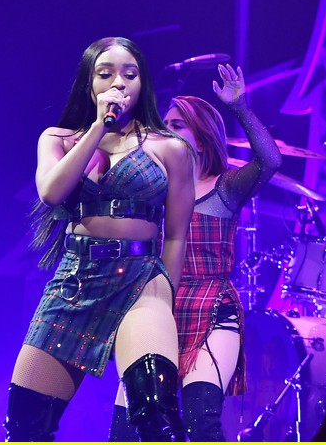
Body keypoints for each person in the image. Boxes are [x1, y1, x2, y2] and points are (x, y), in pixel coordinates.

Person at [7, 37, 195, 440]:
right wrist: (97, 128)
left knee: (156, 416)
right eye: (105, 74)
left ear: (142, 83)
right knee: (25, 427)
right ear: (89, 83)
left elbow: (177, 236)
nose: (119, 83)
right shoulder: (58, 139)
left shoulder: (171, 148)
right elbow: (51, 192)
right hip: (75, 282)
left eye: (130, 74)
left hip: (142, 283)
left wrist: (166, 300)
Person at [109, 64, 283, 441]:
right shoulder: (151, 193)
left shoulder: (225, 187)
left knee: (199, 420)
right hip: (155, 311)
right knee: (126, 431)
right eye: (164, 125)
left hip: (211, 308)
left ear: (201, 140)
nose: (166, 131)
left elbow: (270, 161)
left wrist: (240, 108)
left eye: (178, 125)